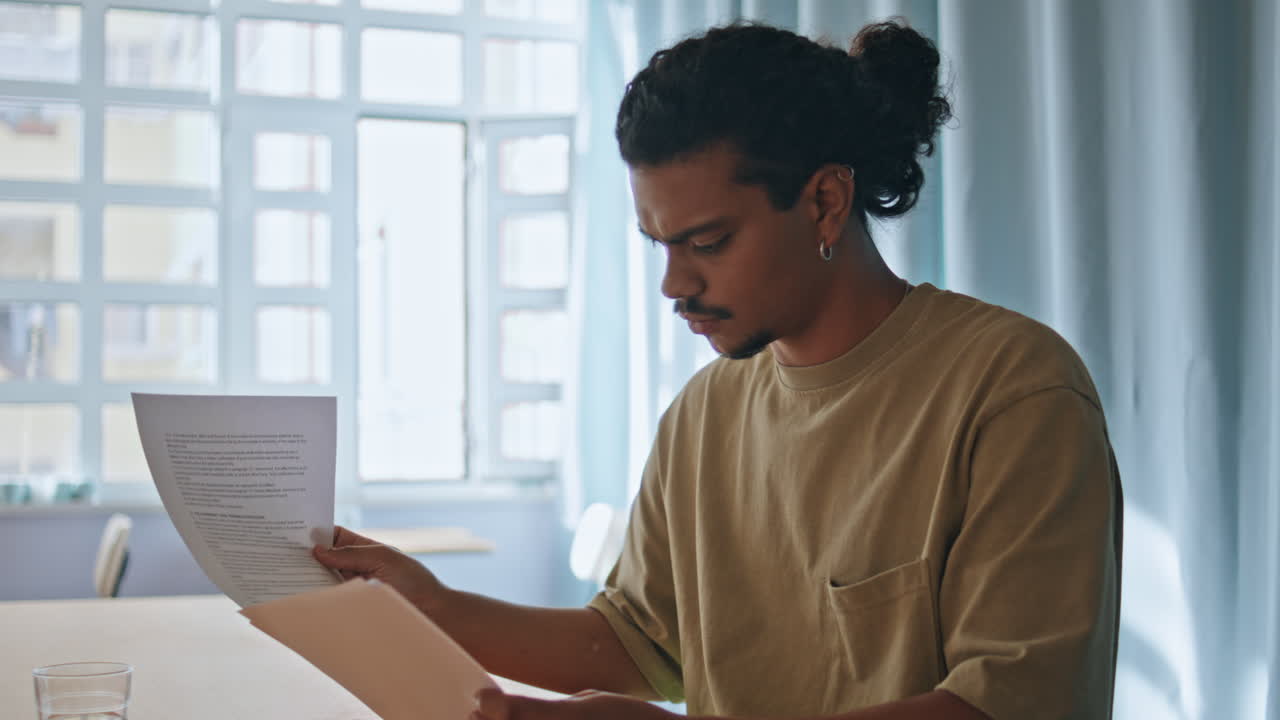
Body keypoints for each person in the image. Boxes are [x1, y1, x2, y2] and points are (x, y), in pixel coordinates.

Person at [315, 19, 1123, 720]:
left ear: (825, 204)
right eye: (660, 245)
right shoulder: (705, 414)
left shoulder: (1012, 391)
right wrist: (434, 609)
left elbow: (1006, 711)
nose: (676, 284)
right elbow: (634, 642)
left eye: (706, 244)